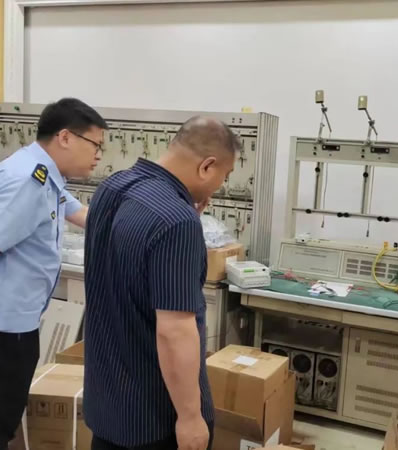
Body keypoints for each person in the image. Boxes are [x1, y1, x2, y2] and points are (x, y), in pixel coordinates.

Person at [83, 116, 239, 450]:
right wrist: (190, 417)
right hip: (152, 419)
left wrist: (185, 221)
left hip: (107, 405)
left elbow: (131, 272)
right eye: (224, 176)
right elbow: (174, 331)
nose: (219, 187)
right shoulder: (176, 221)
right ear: (207, 166)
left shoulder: (112, 187)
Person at [0, 98, 107, 450]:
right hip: (7, 330)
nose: (98, 156)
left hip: (18, 322)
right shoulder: (28, 180)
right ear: (65, 137)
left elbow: (83, 214)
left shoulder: (45, 175)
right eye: (95, 145)